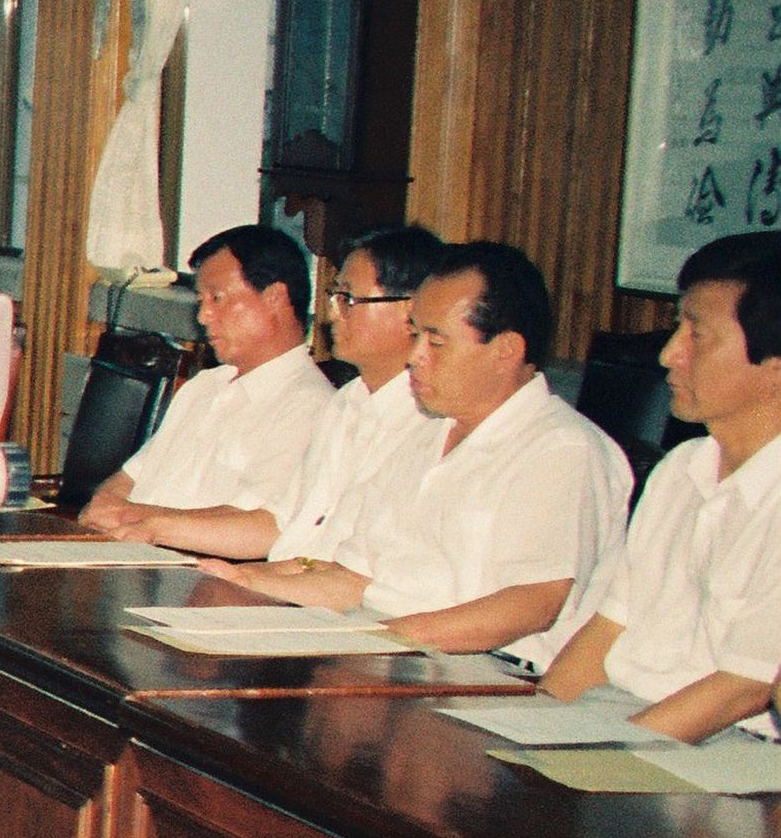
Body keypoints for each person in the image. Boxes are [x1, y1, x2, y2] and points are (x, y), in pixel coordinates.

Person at [206, 242, 631, 656]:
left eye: (436, 342)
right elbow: (353, 578)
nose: (414, 357)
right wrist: (243, 581)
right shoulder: (423, 434)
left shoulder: (561, 449)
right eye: (415, 336)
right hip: (383, 644)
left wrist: (368, 639)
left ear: (506, 351)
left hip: (482, 668)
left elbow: (532, 605)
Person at [536, 233, 781, 740]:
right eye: (676, 329)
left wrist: (591, 760)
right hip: (623, 717)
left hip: (721, 745)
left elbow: (743, 688)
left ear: (774, 366)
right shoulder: (681, 469)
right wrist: (530, 730)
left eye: (698, 335)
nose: (670, 354)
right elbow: (606, 632)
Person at [127, 225, 446, 566]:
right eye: (334, 297)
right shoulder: (347, 403)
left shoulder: (427, 423)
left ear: (410, 311)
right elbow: (283, 523)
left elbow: (358, 572)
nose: (332, 314)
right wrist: (151, 529)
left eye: (348, 299)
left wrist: (156, 531)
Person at [78, 223, 333, 547]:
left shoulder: (309, 406)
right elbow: (129, 478)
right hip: (128, 549)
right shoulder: (205, 385)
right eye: (201, 300)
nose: (203, 316)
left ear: (275, 298)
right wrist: (106, 505)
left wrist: (130, 516)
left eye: (217, 298)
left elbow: (257, 524)